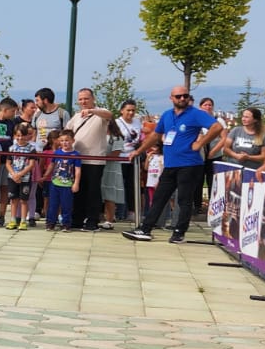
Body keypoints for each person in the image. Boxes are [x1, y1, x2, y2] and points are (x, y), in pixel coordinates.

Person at [124, 85, 223, 244]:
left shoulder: (196, 114)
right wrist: (139, 150)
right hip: (171, 164)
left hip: (190, 164)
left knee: (184, 199)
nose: (182, 99)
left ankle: (179, 231)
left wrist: (200, 143)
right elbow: (156, 135)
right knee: (159, 197)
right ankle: (145, 228)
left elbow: (217, 127)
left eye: (185, 96)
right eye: (178, 96)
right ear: (171, 98)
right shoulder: (167, 115)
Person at [62, 88, 113, 230]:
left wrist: (92, 111)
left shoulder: (100, 113)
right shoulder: (76, 116)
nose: (83, 102)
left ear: (93, 98)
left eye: (86, 98)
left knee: (93, 191)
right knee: (78, 190)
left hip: (94, 159)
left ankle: (92, 221)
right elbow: (67, 132)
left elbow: (109, 115)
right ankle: (76, 219)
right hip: (77, 159)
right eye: (81, 99)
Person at [5, 123, 39, 230]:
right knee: (13, 200)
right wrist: (14, 174)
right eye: (17, 135)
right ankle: (13, 220)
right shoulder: (11, 148)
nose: (20, 138)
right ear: (15, 136)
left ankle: (23, 220)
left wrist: (20, 174)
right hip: (12, 177)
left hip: (25, 178)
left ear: (27, 136)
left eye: (22, 135)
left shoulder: (31, 149)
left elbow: (31, 165)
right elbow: (8, 163)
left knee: (24, 200)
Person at [45, 130, 81, 230]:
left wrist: (76, 183)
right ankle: (50, 222)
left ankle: (66, 223)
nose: (65, 143)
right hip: (55, 183)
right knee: (53, 204)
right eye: (62, 140)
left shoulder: (76, 155)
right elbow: (52, 165)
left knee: (67, 205)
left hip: (67, 184)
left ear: (73, 141)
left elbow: (78, 170)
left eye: (67, 140)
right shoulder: (57, 152)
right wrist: (45, 176)